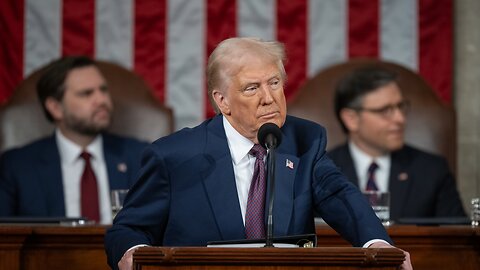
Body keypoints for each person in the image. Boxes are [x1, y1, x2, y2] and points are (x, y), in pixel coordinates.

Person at [104, 37, 412, 270]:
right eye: (252, 88)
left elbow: (340, 196)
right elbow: (128, 229)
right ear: (222, 101)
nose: (269, 98)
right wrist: (135, 254)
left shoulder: (305, 140)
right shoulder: (173, 156)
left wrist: (378, 246)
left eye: (275, 83)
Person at [0, 56, 149, 224]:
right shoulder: (18, 166)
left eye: (103, 89)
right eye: (86, 93)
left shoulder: (140, 157)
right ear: (56, 108)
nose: (102, 100)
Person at [328, 66, 465, 221]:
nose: (400, 119)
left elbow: (459, 239)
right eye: (385, 110)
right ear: (351, 119)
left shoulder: (432, 171)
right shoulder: (318, 172)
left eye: (401, 107)